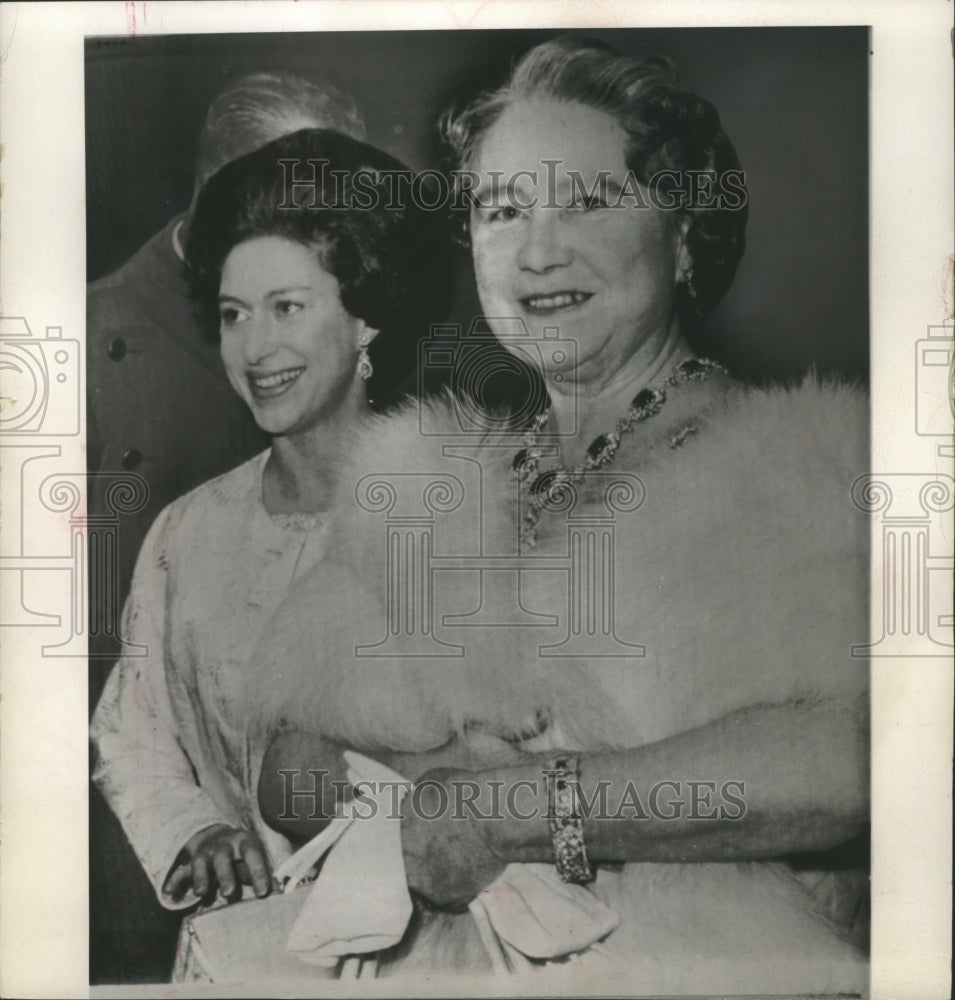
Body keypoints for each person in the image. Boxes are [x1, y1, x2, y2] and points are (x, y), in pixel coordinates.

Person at [252, 37, 869, 994]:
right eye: (501, 211)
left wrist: (518, 810)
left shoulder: (806, 462)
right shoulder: (419, 478)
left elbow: (844, 765)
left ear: (680, 227)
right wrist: (432, 799)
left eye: (585, 200)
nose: (537, 251)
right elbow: (285, 767)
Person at [89, 128, 450, 952]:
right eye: (232, 315)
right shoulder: (186, 531)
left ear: (366, 318)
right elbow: (130, 729)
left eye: (288, 307)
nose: (254, 349)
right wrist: (195, 832)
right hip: (235, 956)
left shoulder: (448, 514)